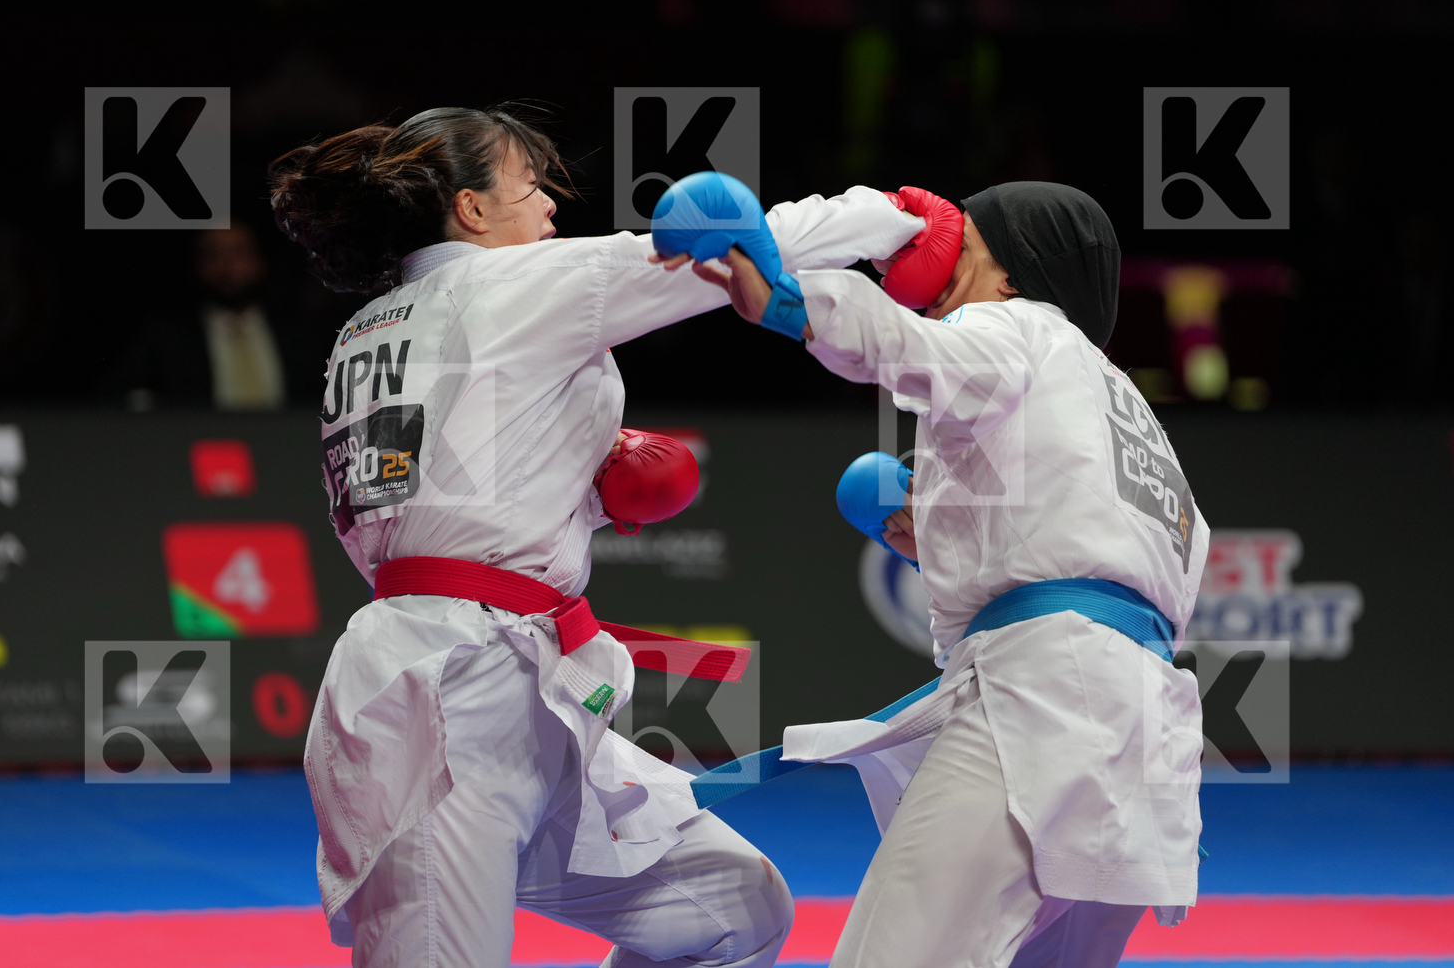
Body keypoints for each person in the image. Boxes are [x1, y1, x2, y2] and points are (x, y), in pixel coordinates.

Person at [267, 105, 931, 967]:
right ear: (471, 210)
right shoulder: (511, 286)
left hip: (512, 683)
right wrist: (901, 214)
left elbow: (419, 502)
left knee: (732, 907)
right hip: (445, 698)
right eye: (531, 185)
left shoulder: (364, 334)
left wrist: (584, 481)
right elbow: (737, 244)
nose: (549, 207)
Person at [665, 180, 1208, 968]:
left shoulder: (1019, 325)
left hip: (1046, 702)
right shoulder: (1129, 408)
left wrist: (788, 299)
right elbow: (1121, 566)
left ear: (1015, 274)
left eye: (966, 244)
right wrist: (947, 532)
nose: (937, 256)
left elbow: (911, 350)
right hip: (1147, 734)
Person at [110, 223, 315, 410]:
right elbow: (121, 398)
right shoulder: (166, 337)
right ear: (197, 264)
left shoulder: (302, 332)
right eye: (212, 254)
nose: (225, 266)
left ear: (260, 260)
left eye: (238, 253)